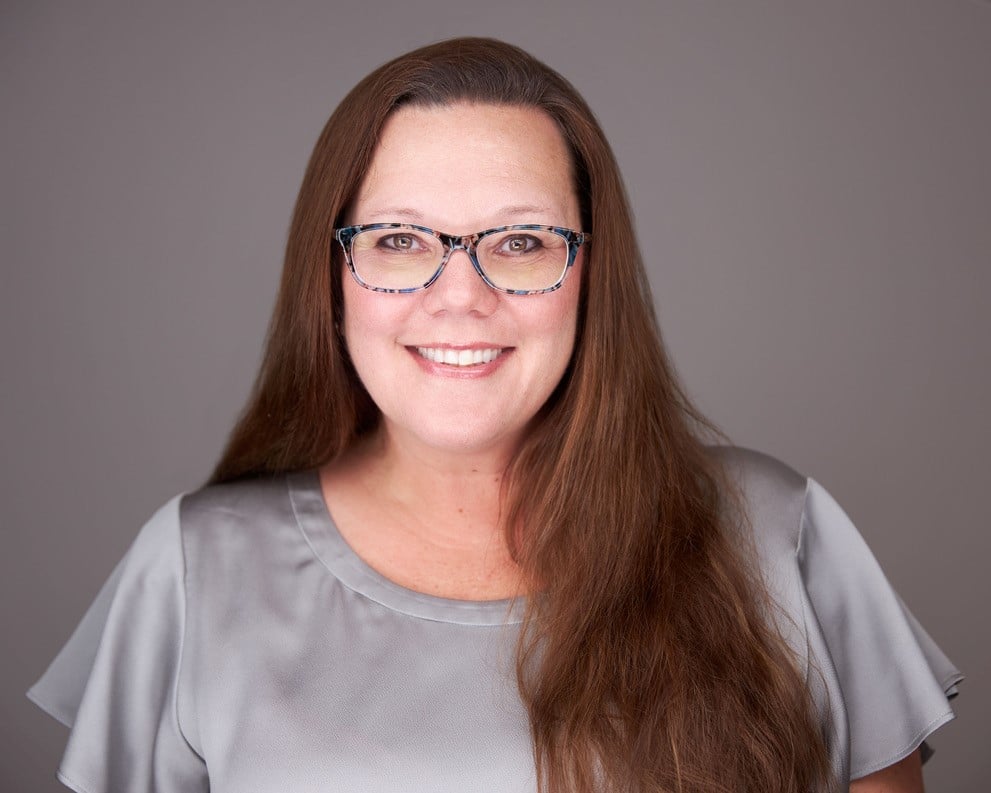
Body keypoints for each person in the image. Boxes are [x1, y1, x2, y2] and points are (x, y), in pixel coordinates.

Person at [29, 37, 961, 793]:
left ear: (593, 275)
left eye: (520, 242)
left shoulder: (774, 532)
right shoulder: (195, 571)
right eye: (399, 240)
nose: (459, 297)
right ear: (332, 277)